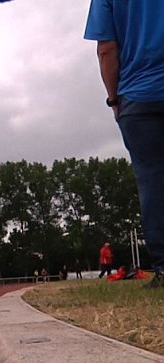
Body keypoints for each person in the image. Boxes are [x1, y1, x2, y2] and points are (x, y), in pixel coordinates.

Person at [85, 1, 164, 289]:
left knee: (152, 182)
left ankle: (163, 267)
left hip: (138, 96)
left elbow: (106, 48)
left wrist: (115, 99)